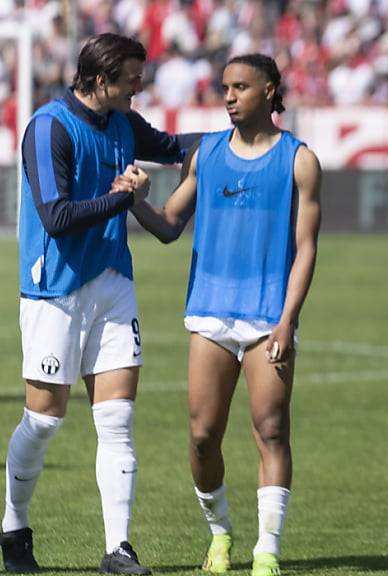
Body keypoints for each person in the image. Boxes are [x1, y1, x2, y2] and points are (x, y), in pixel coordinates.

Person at [3, 33, 201, 575]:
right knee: (44, 421)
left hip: (113, 282)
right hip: (55, 290)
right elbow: (56, 217)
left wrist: (246, 138)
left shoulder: (123, 122)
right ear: (100, 78)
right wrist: (123, 197)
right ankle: (13, 526)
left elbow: (176, 146)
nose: (140, 86)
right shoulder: (49, 127)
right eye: (132, 78)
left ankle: (119, 549)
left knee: (117, 419)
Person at [127, 53, 322, 576]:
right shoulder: (207, 153)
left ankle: (267, 549)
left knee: (271, 430)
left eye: (241, 87)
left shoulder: (299, 160)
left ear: (270, 90)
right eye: (226, 88)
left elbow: (306, 248)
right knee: (201, 437)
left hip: (267, 318)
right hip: (210, 314)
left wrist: (287, 319)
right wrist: (135, 201)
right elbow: (169, 224)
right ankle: (220, 534)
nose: (230, 97)